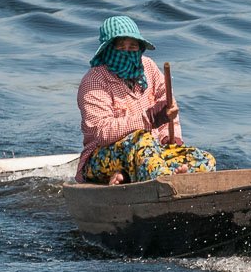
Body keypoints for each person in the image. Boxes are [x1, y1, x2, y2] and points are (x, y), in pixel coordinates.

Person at [76, 15, 215, 185]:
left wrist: (170, 138)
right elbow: (103, 133)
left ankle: (137, 176)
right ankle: (167, 182)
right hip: (102, 158)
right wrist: (148, 118)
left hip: (152, 152)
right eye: (120, 47)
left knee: (204, 160)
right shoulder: (94, 80)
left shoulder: (148, 67)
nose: (127, 52)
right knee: (142, 140)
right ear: (108, 50)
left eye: (132, 47)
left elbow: (169, 111)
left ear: (140, 48)